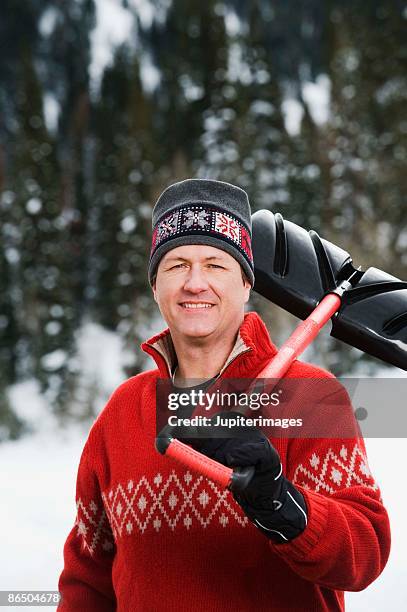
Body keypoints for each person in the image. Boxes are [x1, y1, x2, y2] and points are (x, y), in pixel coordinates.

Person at [58, 179, 391, 611]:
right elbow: (87, 582)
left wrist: (281, 505)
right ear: (155, 286)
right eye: (176, 265)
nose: (195, 284)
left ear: (246, 283)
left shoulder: (311, 398)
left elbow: (364, 556)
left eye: (216, 264)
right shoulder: (123, 412)